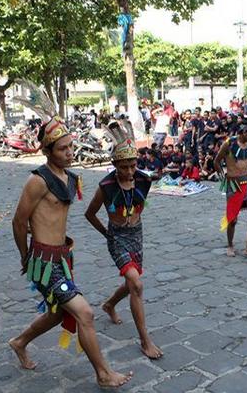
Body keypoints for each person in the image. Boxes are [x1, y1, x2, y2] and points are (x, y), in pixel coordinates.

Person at [10, 117, 132, 388]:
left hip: (63, 257)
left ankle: (19, 342)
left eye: (70, 146)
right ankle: (103, 374)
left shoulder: (70, 178)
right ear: (47, 151)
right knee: (84, 313)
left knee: (58, 313)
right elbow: (19, 221)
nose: (69, 152)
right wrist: (24, 256)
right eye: (62, 148)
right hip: (43, 261)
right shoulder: (37, 180)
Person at [85, 120, 162, 361]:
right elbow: (90, 213)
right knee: (137, 285)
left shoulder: (143, 180)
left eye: (133, 165)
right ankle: (145, 340)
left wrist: (133, 221)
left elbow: (139, 205)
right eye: (124, 167)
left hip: (136, 235)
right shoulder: (106, 186)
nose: (130, 172)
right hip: (116, 237)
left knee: (133, 281)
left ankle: (109, 304)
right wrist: (108, 234)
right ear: (114, 164)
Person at [214, 120, 247, 258]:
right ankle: (230, 245)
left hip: (246, 183)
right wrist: (221, 174)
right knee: (232, 219)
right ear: (244, 132)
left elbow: (246, 162)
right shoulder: (229, 143)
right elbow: (216, 160)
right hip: (233, 184)